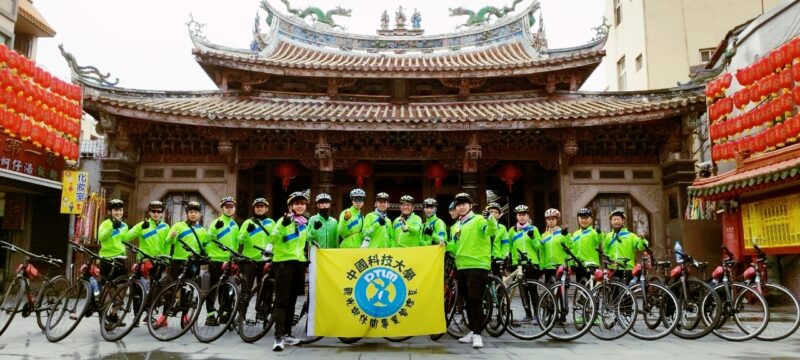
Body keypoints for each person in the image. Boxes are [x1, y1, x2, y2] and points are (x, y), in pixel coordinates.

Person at [445, 192, 496, 348]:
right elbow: (454, 247)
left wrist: (490, 218)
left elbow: (491, 231)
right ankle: (473, 331)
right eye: (458, 205)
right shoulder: (455, 226)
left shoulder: (479, 219)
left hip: (478, 265)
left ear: (470, 205)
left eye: (464, 204)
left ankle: (478, 335)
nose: (461, 207)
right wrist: (443, 245)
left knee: (475, 299)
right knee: (466, 301)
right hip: (462, 266)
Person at [269, 191, 310, 351]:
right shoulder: (283, 220)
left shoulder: (304, 223)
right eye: (297, 203)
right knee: (282, 301)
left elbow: (304, 243)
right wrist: (283, 226)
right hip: (283, 263)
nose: (300, 206)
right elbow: (272, 238)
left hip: (298, 263)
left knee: (293, 300)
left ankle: (288, 334)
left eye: (302, 203)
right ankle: (278, 337)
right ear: (291, 206)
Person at [156, 200, 207, 329]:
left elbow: (205, 247)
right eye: (191, 212)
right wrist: (172, 237)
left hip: (192, 263)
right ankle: (164, 317)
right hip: (177, 262)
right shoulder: (178, 226)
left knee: (188, 292)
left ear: (200, 214)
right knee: (171, 289)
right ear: (187, 213)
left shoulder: (202, 231)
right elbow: (168, 241)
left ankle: (185, 316)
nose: (193, 214)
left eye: (196, 212)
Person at [203, 196, 240, 326]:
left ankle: (224, 313)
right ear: (222, 208)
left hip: (228, 261)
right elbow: (207, 239)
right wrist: (214, 231)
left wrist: (234, 259)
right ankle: (210, 315)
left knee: (226, 288)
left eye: (232, 207)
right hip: (215, 260)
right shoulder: (216, 223)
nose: (229, 209)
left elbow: (235, 244)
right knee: (213, 287)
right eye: (227, 207)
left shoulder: (235, 226)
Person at [505, 204, 541, 321]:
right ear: (516, 216)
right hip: (518, 264)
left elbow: (538, 246)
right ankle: (528, 314)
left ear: (528, 216)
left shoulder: (533, 229)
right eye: (520, 215)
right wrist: (509, 261)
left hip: (531, 263)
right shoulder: (512, 231)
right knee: (522, 290)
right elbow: (509, 247)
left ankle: (536, 314)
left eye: (524, 215)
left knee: (533, 289)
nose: (522, 217)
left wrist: (533, 238)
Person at [126, 200, 170, 283]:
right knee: (138, 288)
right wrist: (141, 228)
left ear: (162, 213)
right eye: (153, 211)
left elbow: (167, 244)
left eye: (159, 211)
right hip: (144, 259)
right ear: (149, 212)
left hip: (158, 260)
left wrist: (166, 259)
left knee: (155, 288)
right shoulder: (142, 224)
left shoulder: (166, 227)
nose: (156, 214)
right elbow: (127, 237)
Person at [238, 198, 275, 293]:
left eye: (262, 206)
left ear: (267, 209)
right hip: (249, 260)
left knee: (264, 289)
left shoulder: (271, 223)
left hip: (265, 260)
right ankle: (243, 308)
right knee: (245, 289)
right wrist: (247, 232)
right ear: (254, 208)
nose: (259, 208)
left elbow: (275, 240)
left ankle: (262, 308)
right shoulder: (247, 222)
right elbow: (240, 241)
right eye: (257, 206)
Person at [603, 208, 648, 280]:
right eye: (614, 219)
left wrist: (642, 239)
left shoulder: (631, 236)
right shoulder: (608, 236)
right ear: (611, 221)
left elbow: (641, 247)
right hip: (612, 269)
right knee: (614, 291)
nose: (616, 221)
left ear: (623, 221)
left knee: (627, 291)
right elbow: (605, 251)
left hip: (627, 268)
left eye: (618, 219)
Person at [97, 199, 128, 282]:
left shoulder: (124, 226)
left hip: (120, 257)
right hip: (107, 258)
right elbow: (101, 237)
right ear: (109, 212)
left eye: (120, 210)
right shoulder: (105, 224)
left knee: (121, 285)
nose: (118, 212)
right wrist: (112, 228)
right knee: (106, 285)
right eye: (115, 210)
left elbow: (126, 239)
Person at [538, 208, 571, 284]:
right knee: (549, 292)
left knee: (561, 292)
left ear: (557, 220)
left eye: (553, 219)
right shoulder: (543, 236)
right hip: (548, 267)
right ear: (546, 221)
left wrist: (566, 236)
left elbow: (570, 246)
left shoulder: (563, 233)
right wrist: (541, 267)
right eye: (549, 219)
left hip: (561, 266)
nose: (551, 221)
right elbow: (542, 252)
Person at [570, 208, 602, 283]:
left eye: (586, 218)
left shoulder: (594, 232)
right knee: (581, 290)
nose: (584, 220)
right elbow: (573, 249)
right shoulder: (575, 233)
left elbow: (599, 240)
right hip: (579, 265)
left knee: (592, 291)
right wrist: (572, 264)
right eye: (581, 218)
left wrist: (599, 232)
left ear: (591, 219)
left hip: (591, 265)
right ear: (578, 219)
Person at [485, 202, 508, 276]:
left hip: (497, 258)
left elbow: (505, 244)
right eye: (491, 212)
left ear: (499, 215)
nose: (493, 214)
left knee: (498, 281)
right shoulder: (482, 225)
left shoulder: (502, 228)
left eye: (496, 212)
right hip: (484, 257)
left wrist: (504, 257)